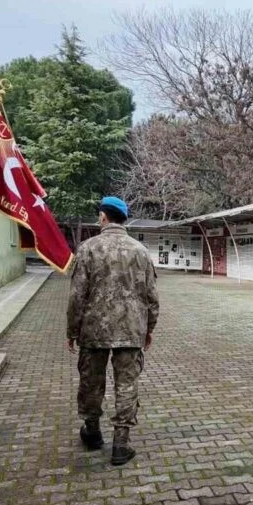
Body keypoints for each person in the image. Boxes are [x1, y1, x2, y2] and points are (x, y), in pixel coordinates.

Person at [67, 196, 159, 466]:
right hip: (131, 331)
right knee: (127, 384)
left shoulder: (88, 248)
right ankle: (121, 444)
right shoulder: (141, 251)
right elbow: (151, 296)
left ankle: (93, 433)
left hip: (94, 330)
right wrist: (149, 328)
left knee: (91, 382)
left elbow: (77, 296)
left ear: (104, 218)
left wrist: (71, 330)